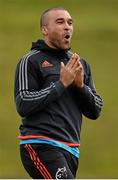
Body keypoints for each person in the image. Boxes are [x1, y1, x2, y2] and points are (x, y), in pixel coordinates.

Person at [14, 7, 103, 179]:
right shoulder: (31, 60)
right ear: (45, 30)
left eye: (70, 23)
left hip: (71, 149)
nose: (67, 27)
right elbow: (23, 103)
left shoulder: (79, 64)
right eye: (60, 22)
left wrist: (79, 86)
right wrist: (61, 84)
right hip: (40, 144)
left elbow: (95, 110)